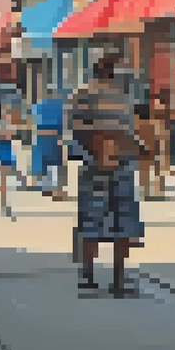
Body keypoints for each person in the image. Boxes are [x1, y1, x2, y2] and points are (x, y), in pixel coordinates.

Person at [66, 53, 146, 296]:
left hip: (93, 165)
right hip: (123, 163)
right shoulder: (124, 98)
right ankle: (119, 279)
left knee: (90, 220)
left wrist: (92, 154)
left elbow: (74, 132)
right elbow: (127, 133)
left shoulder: (80, 95)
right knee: (125, 221)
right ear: (114, 74)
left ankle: (88, 276)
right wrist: (138, 149)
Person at [0, 96, 26, 219]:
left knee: (6, 174)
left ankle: (4, 201)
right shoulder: (1, 123)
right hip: (3, 150)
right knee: (6, 175)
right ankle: (4, 203)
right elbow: (9, 134)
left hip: (2, 150)